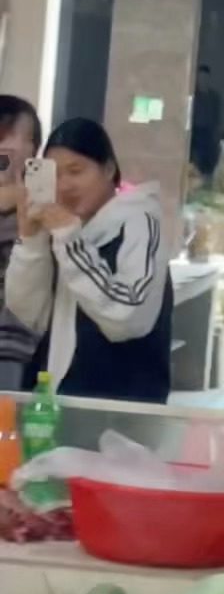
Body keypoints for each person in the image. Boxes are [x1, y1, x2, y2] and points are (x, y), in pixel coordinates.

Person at [6, 118, 172, 402]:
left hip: (120, 405)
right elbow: (29, 312)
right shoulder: (61, 229)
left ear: (108, 169)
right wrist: (31, 241)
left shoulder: (139, 222)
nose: (65, 185)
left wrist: (71, 242)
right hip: (52, 400)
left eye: (76, 171)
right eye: (55, 175)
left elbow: (128, 316)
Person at [0, 96, 43, 383]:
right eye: (5, 134)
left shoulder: (41, 202)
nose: (12, 146)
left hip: (14, 346)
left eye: (25, 138)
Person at [190, 64, 222, 179]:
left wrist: (216, 135)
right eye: (200, 78)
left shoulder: (214, 98)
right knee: (195, 163)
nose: (202, 81)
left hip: (209, 135)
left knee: (209, 164)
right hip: (194, 134)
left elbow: (217, 117)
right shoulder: (193, 96)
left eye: (205, 78)